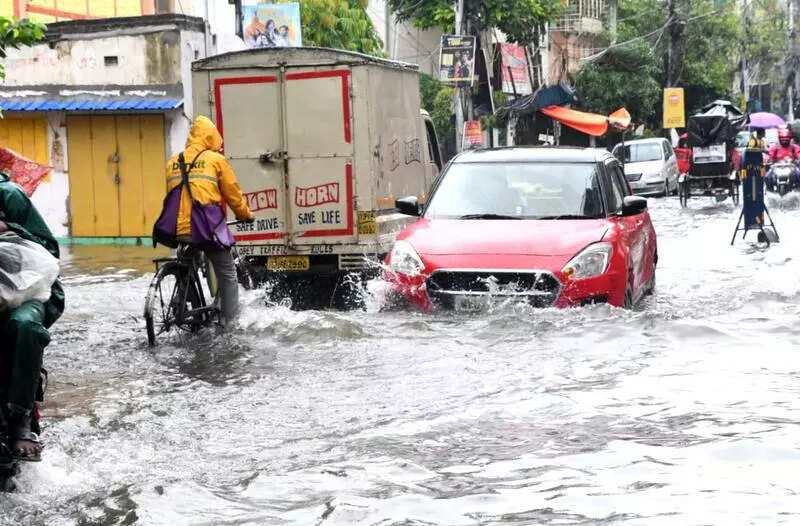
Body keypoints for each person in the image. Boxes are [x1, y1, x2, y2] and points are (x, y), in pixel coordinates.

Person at [165, 116, 254, 326]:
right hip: (205, 228)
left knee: (188, 257)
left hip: (178, 228)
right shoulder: (215, 160)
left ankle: (181, 297)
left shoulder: (172, 162)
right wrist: (245, 214)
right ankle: (230, 324)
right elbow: (233, 194)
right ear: (211, 137)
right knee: (227, 272)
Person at [0, 172, 64, 462]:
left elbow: (50, 250)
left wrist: (9, 228)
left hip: (27, 291)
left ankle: (21, 417)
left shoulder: (10, 195)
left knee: (24, 326)